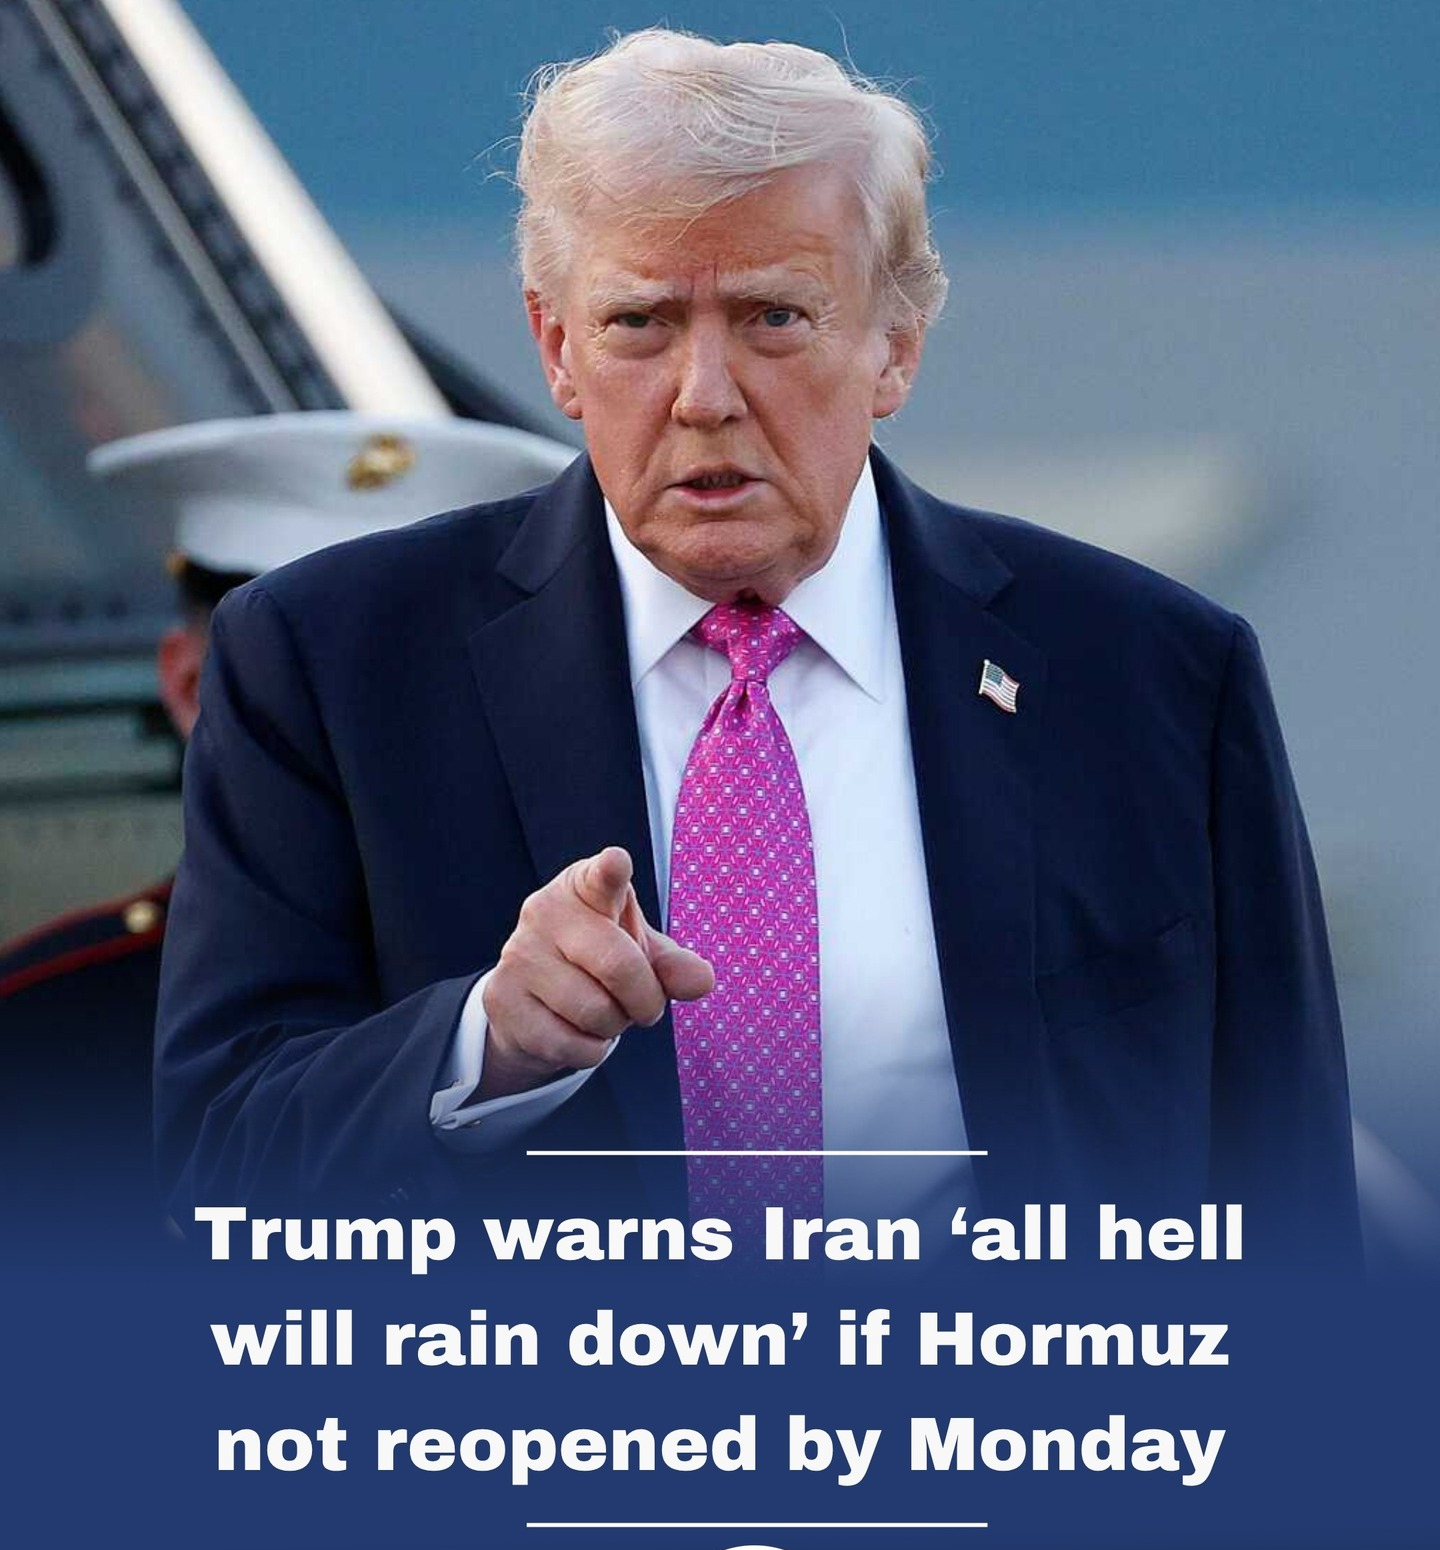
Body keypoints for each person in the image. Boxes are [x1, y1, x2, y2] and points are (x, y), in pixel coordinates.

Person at [154, 30, 1358, 1265]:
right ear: (557, 347)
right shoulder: (333, 666)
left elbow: (1289, 1204)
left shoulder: (1150, 675)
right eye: (639, 322)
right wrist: (485, 1046)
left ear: (896, 342)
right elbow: (217, 1167)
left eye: (774, 316)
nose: (704, 394)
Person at [0, 412, 573, 1225]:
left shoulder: (613, 992)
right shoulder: (45, 1035)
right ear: (190, 688)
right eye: (289, 680)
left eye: (414, 688)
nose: (355, 729)